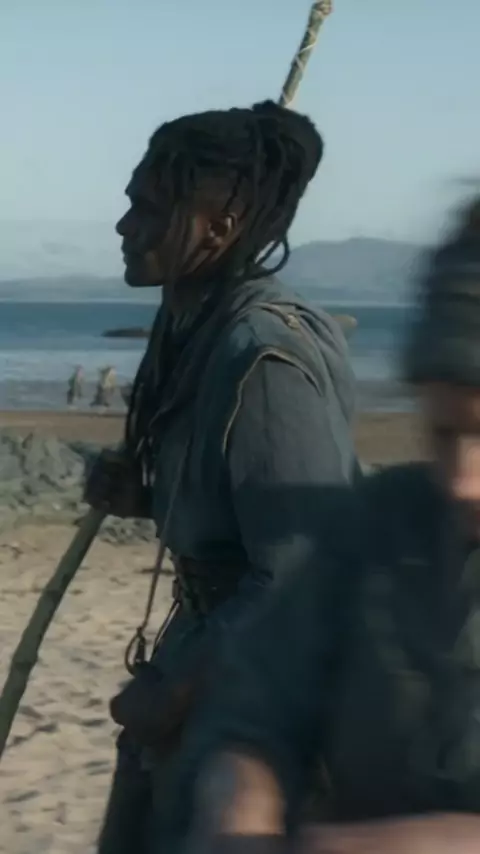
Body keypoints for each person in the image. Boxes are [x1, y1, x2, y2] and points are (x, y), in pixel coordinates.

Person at [84, 100, 359, 854]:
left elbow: (307, 567)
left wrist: (178, 692)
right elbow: (238, 511)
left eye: (150, 209)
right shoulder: (191, 322)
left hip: (261, 696)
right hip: (209, 660)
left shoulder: (263, 354)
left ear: (218, 229)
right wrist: (147, 498)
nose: (125, 226)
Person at [186, 196, 480, 854]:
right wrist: (241, 798)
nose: (463, 479)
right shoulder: (380, 525)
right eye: (444, 432)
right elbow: (255, 708)